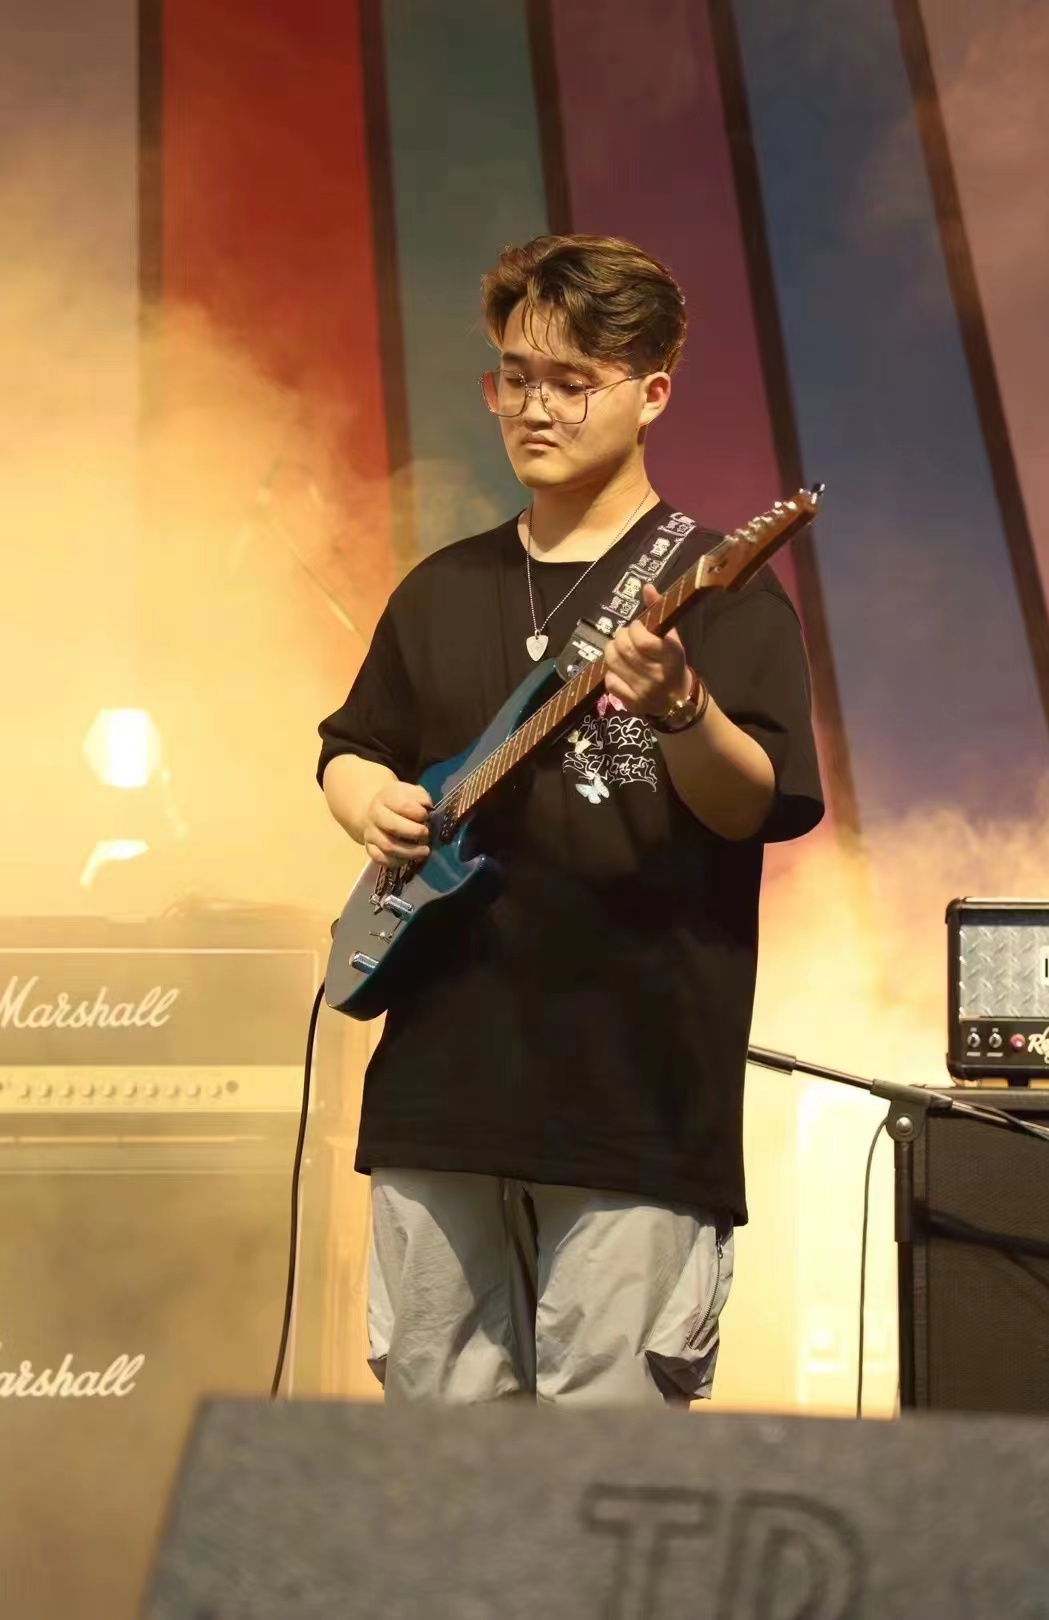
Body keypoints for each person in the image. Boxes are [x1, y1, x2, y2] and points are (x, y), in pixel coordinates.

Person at [317, 234, 824, 1407]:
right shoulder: (441, 589)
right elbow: (349, 748)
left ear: (653, 392)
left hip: (637, 1106)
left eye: (571, 381)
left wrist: (683, 708)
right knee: (444, 1473)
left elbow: (755, 803)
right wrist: (369, 805)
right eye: (514, 377)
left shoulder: (723, 591)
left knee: (603, 1479)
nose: (534, 407)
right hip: (438, 1097)